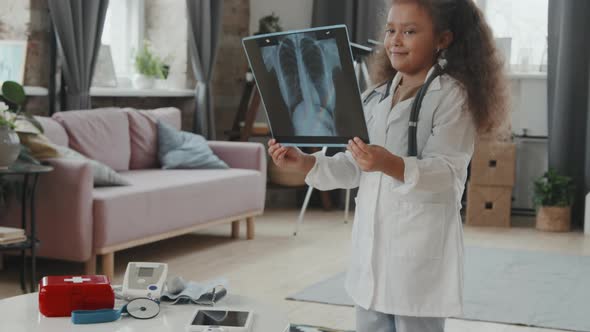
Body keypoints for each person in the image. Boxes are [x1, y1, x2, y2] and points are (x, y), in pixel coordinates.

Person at [268, 0, 508, 331]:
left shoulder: (453, 97)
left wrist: (391, 164)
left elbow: (448, 172)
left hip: (417, 253)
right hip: (371, 254)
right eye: (390, 30)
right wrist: (307, 162)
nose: (395, 40)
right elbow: (354, 166)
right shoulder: (375, 97)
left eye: (409, 32)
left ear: (443, 39)